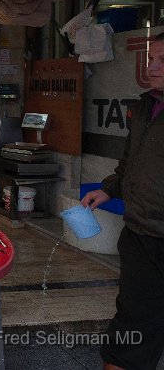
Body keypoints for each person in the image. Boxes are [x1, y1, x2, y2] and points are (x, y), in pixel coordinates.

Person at [81, 32, 164, 370]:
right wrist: (110, 189)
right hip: (141, 232)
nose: (152, 67)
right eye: (151, 58)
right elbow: (130, 161)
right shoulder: (147, 106)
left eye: (162, 60)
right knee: (133, 316)